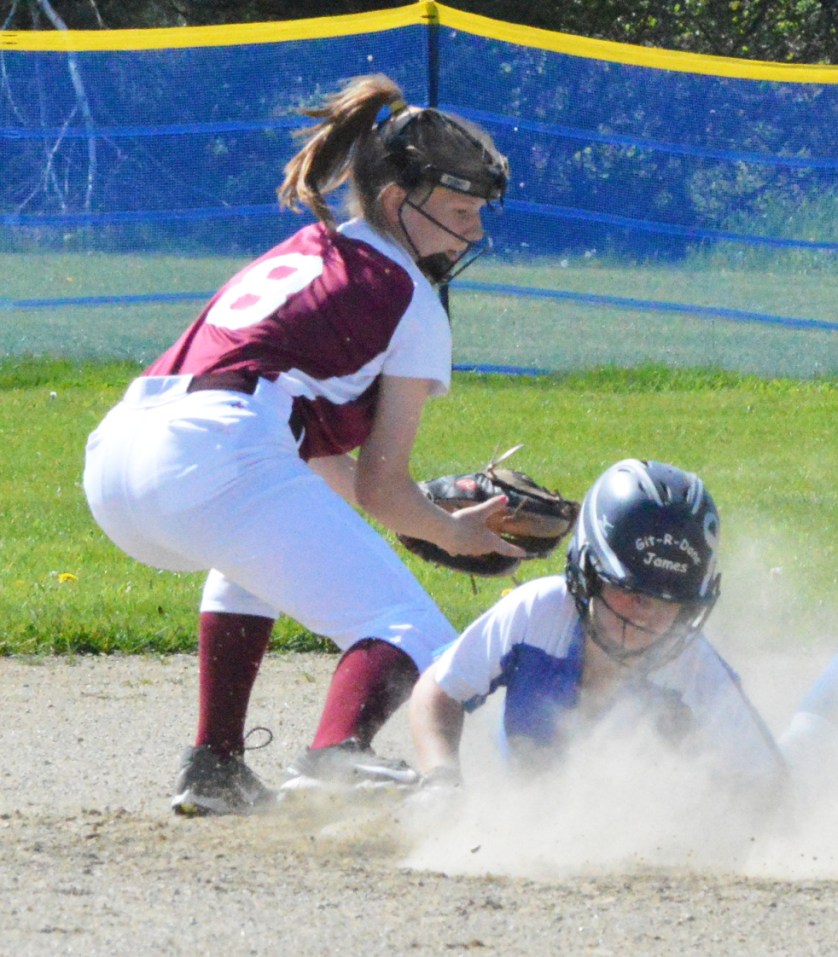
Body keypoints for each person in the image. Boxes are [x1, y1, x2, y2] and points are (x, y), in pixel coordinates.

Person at [82, 73, 522, 816]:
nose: (473, 232)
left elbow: (309, 460)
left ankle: (215, 765)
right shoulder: (412, 300)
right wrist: (450, 532)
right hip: (217, 454)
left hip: (122, 456)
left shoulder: (310, 248)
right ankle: (335, 755)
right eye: (457, 210)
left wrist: (427, 520)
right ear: (396, 203)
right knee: (418, 633)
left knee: (252, 550)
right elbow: (383, 489)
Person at [409, 458, 838, 825]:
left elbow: (770, 801)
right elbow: (437, 692)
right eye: (628, 592)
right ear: (587, 575)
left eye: (668, 601)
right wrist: (440, 779)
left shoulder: (691, 670)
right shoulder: (537, 612)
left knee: (802, 790)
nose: (646, 615)